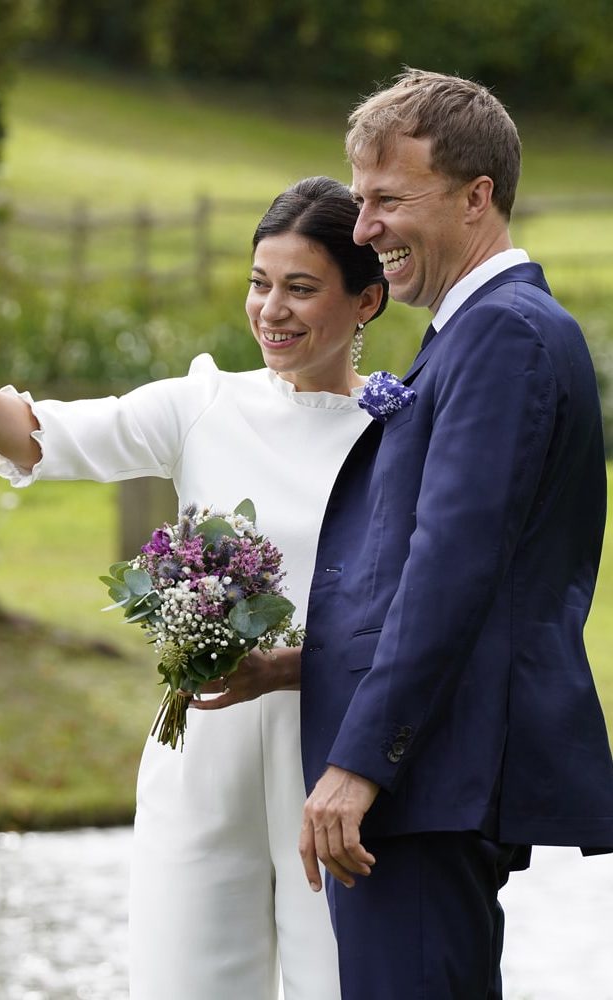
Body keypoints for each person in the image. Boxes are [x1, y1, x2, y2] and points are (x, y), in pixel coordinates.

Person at [0, 176, 388, 1000]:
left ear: (366, 301)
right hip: (202, 750)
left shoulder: (400, 431)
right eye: (259, 284)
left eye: (300, 288)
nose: (272, 311)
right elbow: (50, 436)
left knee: (338, 982)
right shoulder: (205, 403)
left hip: (330, 757)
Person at [296, 69, 613, 999]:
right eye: (361, 201)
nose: (363, 230)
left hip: (424, 780)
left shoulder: (505, 335)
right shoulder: (474, 334)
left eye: (389, 199)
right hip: (425, 778)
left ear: (477, 198)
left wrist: (359, 763)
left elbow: (454, 566)